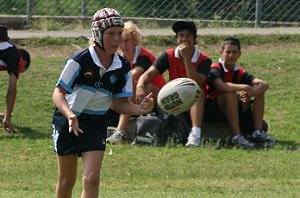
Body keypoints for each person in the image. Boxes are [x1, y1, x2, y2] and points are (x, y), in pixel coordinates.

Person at [51, 8, 154, 198]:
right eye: (110, 34)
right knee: (67, 181)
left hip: (97, 122)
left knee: (91, 179)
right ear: (97, 34)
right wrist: (70, 115)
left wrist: (138, 108)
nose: (116, 39)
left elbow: (119, 103)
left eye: (119, 33)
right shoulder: (79, 60)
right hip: (69, 121)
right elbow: (58, 93)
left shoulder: (122, 66)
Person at [135, 20, 212, 147]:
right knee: (147, 87)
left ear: (194, 40)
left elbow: (196, 82)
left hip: (193, 106)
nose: (184, 39)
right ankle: (146, 126)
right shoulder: (168, 55)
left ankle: (195, 135)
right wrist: (140, 86)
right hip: (173, 102)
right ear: (177, 39)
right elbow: (147, 75)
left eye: (188, 35)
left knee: (197, 92)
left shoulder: (204, 60)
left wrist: (187, 58)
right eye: (181, 35)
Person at [205, 36, 277, 149]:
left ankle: (257, 133)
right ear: (221, 53)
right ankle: (236, 137)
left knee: (259, 92)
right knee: (230, 93)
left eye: (234, 52)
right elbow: (221, 86)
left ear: (239, 54)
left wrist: (251, 92)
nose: (231, 55)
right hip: (214, 109)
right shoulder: (215, 68)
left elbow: (264, 84)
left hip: (233, 108)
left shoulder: (239, 71)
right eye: (228, 52)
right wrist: (243, 87)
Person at [106, 21, 166, 144]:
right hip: (135, 97)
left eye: (127, 40)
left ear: (134, 40)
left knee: (130, 85)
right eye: (121, 41)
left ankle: (120, 132)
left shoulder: (144, 56)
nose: (123, 44)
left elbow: (131, 76)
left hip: (156, 96)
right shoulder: (117, 57)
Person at [0, 25, 31, 133]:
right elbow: (11, 90)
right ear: (24, 63)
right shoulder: (17, 58)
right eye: (20, 71)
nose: (18, 72)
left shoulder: (8, 46)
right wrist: (7, 117)